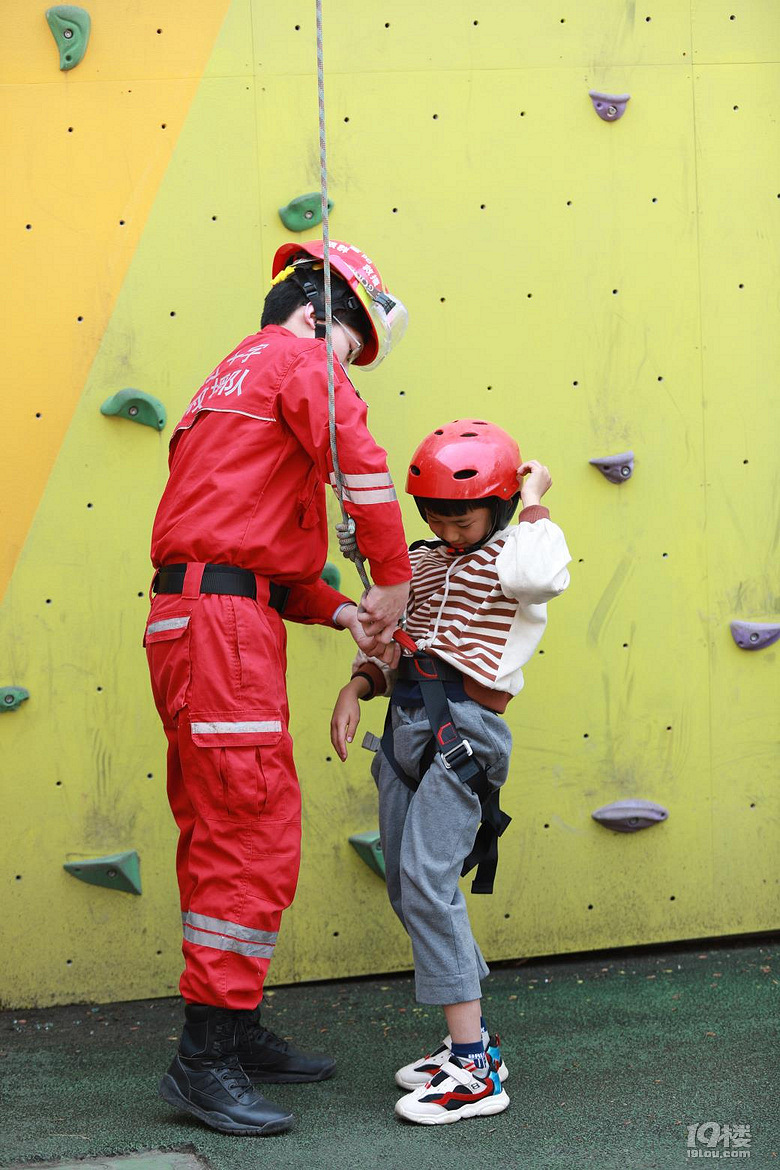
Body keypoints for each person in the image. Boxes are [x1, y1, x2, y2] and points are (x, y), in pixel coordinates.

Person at [145, 239, 412, 1136]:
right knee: (250, 826)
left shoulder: (230, 382)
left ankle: (234, 1026)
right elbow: (362, 466)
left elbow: (248, 555)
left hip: (202, 618)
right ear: (316, 314)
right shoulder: (300, 361)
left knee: (219, 823)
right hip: (222, 631)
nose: (346, 368)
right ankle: (205, 1059)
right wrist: (390, 582)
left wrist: (342, 613)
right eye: (351, 344)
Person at [330, 419, 572, 1125]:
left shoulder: (518, 554)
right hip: (403, 726)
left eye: (462, 519)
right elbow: (390, 639)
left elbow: (539, 576)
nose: (447, 530)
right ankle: (474, 1043)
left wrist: (535, 498)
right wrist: (357, 687)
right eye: (435, 517)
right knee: (407, 887)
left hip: (464, 731)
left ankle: (474, 1071)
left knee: (430, 883)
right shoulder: (421, 560)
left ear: (499, 508)